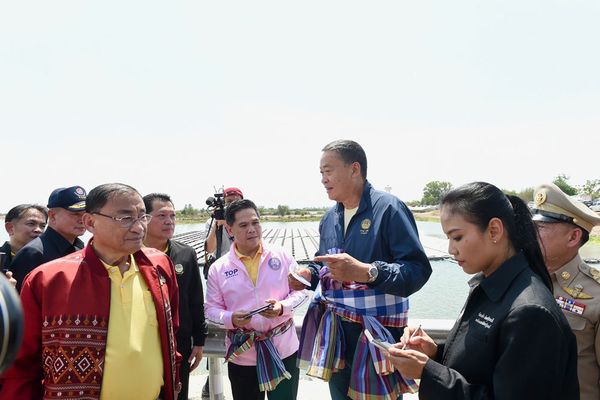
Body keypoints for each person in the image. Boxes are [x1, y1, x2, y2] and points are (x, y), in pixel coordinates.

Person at [385, 182, 579, 399]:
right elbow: (483, 364)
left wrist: (428, 372)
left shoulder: (530, 311)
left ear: (494, 230)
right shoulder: (488, 285)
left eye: (457, 237)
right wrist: (435, 353)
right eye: (448, 238)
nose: (451, 249)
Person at [0, 183, 181, 399]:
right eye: (125, 218)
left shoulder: (159, 266)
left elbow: (170, 335)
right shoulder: (49, 279)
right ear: (90, 222)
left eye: (142, 217)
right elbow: (21, 366)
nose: (138, 227)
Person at [290, 139, 432, 400]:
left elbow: (418, 271)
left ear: (354, 169)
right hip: (336, 334)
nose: (323, 179)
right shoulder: (329, 218)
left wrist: (368, 273)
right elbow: (325, 267)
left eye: (328, 170)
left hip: (379, 335)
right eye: (321, 173)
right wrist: (309, 275)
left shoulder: (389, 209)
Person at [205, 199, 308, 400]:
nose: (252, 229)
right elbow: (210, 310)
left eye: (255, 222)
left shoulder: (282, 255)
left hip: (283, 350)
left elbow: (302, 292)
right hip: (243, 354)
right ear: (229, 229)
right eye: (243, 225)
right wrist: (231, 318)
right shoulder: (219, 268)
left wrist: (282, 307)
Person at [532, 183, 600, 400]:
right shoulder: (525, 280)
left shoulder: (596, 294)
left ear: (573, 237)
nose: (531, 235)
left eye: (540, 228)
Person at [143, 192, 208, 400]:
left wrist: (199, 340)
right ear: (143, 218)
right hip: (143, 342)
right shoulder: (130, 254)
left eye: (172, 216)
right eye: (162, 216)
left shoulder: (185, 254)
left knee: (178, 394)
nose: (169, 221)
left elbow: (195, 300)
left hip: (179, 344)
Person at [10, 186, 87, 292]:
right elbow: (21, 302)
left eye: (86, 214)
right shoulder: (33, 253)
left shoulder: (81, 248)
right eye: (76, 214)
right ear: (53, 215)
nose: (82, 219)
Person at [1, 204, 47, 285]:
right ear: (10, 228)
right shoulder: (2, 258)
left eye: (42, 226)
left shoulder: (49, 259)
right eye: (31, 224)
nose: (38, 230)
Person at [204, 187, 244, 264]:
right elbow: (209, 249)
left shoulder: (247, 221)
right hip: (221, 266)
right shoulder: (211, 222)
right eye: (229, 201)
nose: (233, 205)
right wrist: (217, 224)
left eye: (237, 202)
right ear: (223, 204)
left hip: (243, 263)